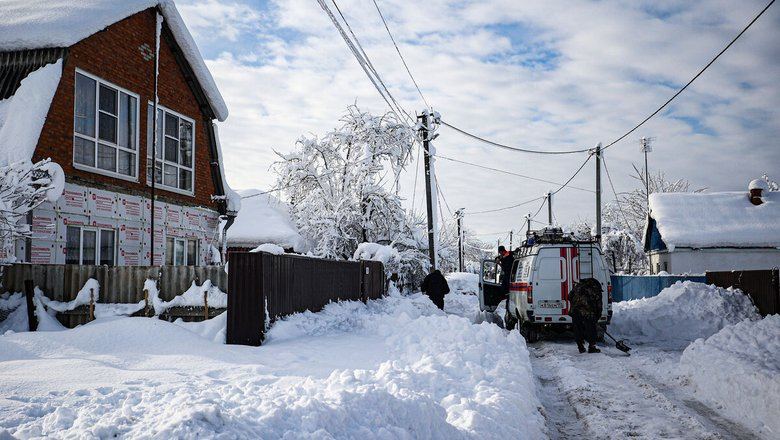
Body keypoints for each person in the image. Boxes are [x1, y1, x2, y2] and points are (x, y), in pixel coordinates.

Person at [569, 278, 603, 353]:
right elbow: (599, 305)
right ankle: (591, 347)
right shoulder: (595, 289)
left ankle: (580, 347)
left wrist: (576, 304)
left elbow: (569, 296)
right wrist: (597, 316)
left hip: (575, 311)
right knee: (591, 329)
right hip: (588, 312)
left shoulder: (578, 286)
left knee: (577, 329)